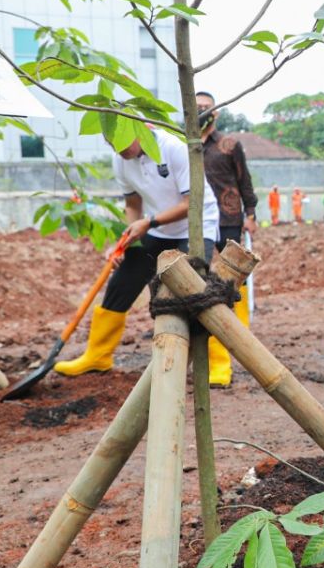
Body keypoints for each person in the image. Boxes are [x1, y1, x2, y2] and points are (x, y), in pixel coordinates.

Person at [55, 126, 221, 377]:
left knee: (194, 292)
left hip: (196, 225)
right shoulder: (121, 161)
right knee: (122, 282)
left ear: (141, 131)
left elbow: (191, 203)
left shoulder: (173, 148)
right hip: (155, 228)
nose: (118, 151)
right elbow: (133, 205)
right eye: (112, 146)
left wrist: (149, 222)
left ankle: (215, 364)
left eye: (122, 144)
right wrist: (125, 239)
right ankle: (97, 356)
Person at [198, 91, 258, 387]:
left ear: (216, 113)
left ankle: (239, 327)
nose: (202, 111)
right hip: (198, 222)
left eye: (206, 108)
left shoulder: (229, 145)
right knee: (204, 277)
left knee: (233, 277)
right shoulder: (188, 146)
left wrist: (251, 213)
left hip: (230, 217)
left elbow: (244, 179)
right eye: (197, 107)